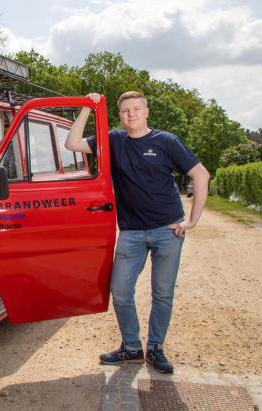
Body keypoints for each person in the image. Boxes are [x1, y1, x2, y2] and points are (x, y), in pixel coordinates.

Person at [65, 91, 210, 373]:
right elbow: (72, 143)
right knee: (119, 291)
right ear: (120, 115)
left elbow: (200, 174)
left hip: (167, 230)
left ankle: (156, 349)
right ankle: (131, 348)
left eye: (136, 109)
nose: (131, 115)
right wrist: (86, 107)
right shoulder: (114, 140)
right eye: (125, 111)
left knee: (162, 294)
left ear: (146, 112)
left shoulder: (166, 141)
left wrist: (192, 221)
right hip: (131, 231)